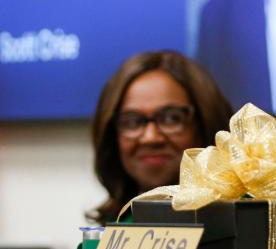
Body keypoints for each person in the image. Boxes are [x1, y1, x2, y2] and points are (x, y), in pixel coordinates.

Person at [88, 50, 233, 224]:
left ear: (207, 122)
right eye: (132, 121)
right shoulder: (109, 234)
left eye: (172, 118)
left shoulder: (240, 225)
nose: (151, 137)